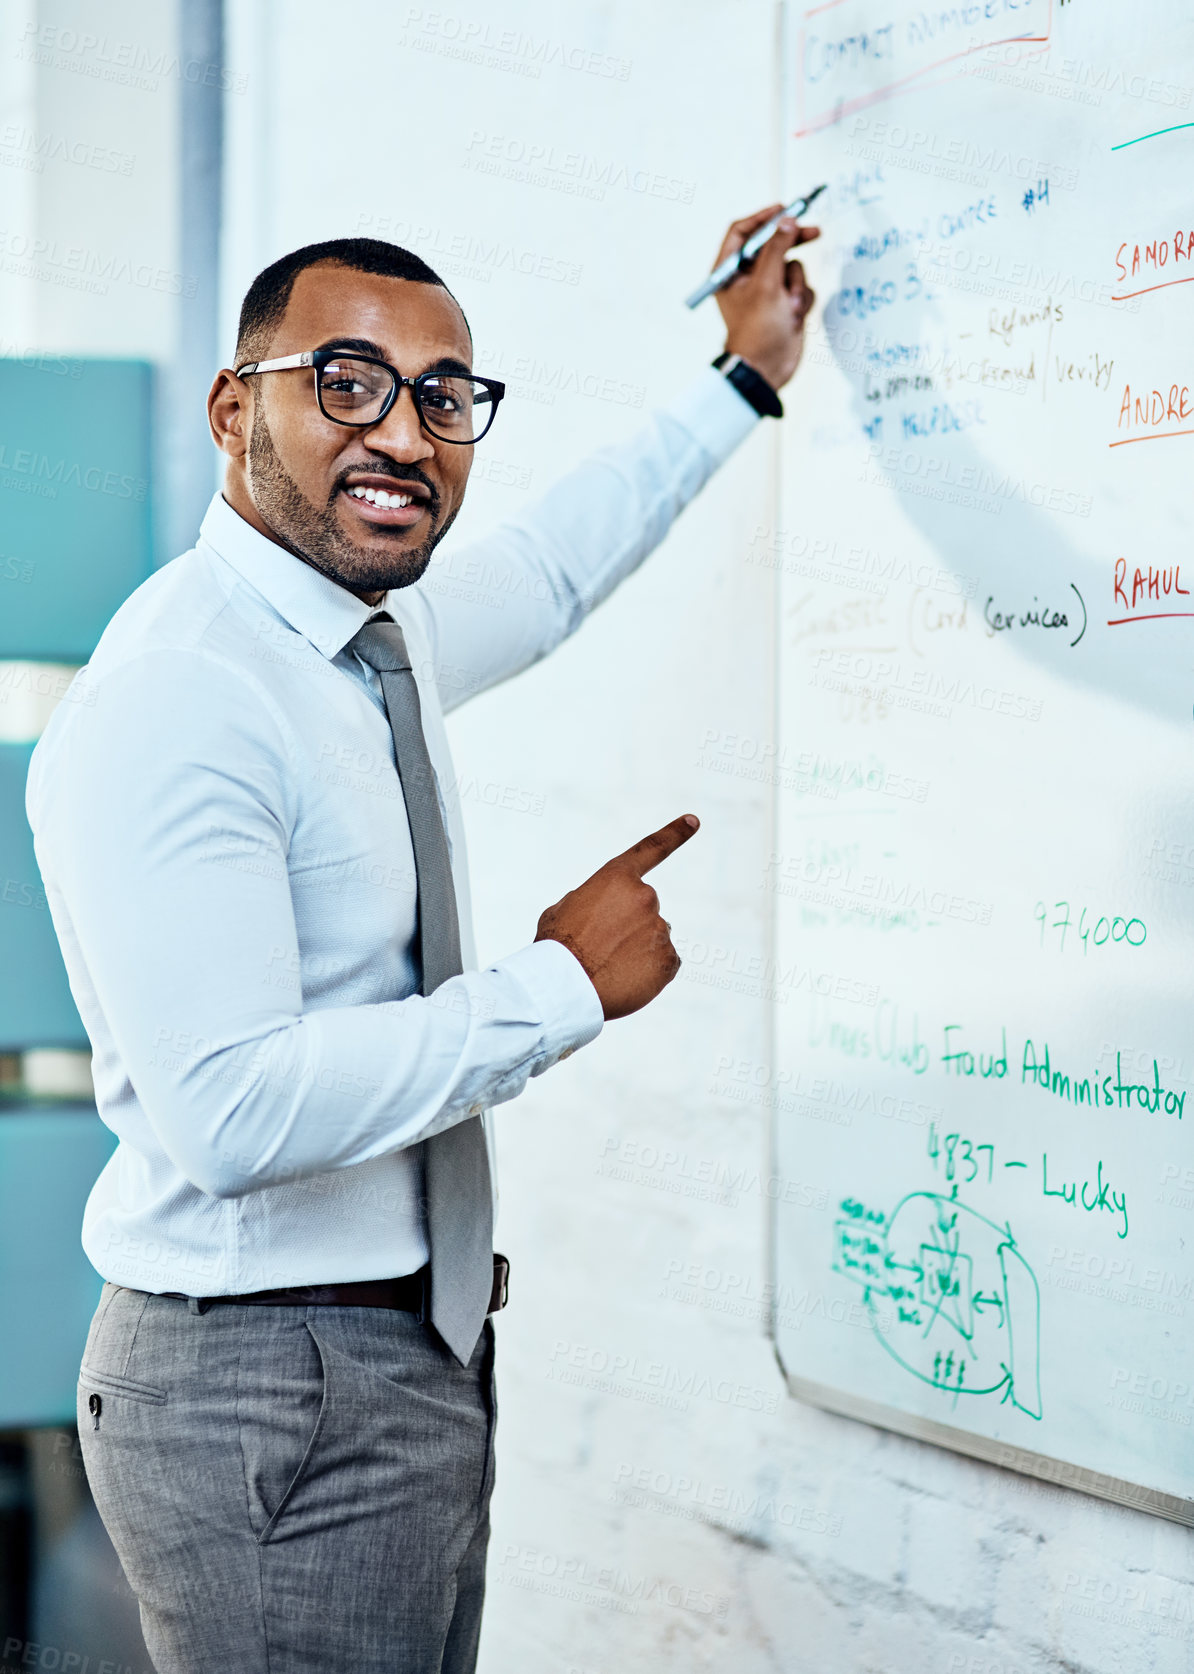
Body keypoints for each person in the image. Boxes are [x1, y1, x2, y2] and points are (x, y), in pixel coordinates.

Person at [25, 204, 817, 1674]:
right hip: (270, 1381)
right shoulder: (185, 693)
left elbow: (558, 563)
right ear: (232, 408)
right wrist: (558, 985)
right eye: (346, 380)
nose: (404, 430)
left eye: (444, 395)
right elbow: (231, 1106)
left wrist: (740, 377)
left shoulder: (369, 638)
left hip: (396, 1355)